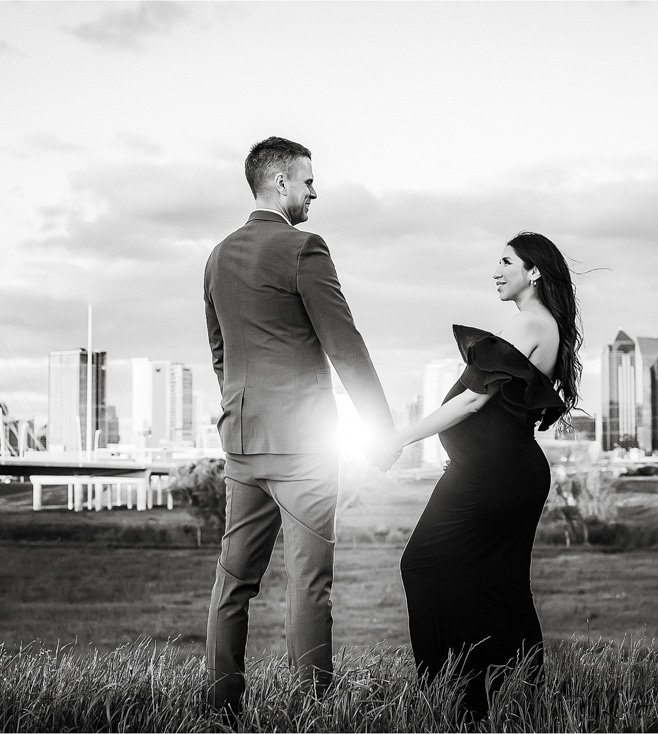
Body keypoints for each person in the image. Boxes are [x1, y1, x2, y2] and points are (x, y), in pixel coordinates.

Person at [203, 136, 396, 716]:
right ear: (281, 183)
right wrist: (381, 429)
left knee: (233, 581)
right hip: (304, 450)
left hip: (242, 442)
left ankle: (220, 712)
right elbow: (345, 344)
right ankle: (311, 714)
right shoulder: (304, 248)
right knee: (309, 585)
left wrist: (244, 411)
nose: (315, 190)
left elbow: (220, 354)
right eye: (308, 180)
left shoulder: (217, 256)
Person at [380, 231, 582, 717]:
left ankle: (454, 694)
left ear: (533, 272)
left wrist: (397, 438)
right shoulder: (546, 325)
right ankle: (511, 693)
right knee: (499, 583)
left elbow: (472, 401)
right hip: (509, 472)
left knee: (423, 566)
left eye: (506, 262)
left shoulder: (530, 324)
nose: (496, 270)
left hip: (488, 475)